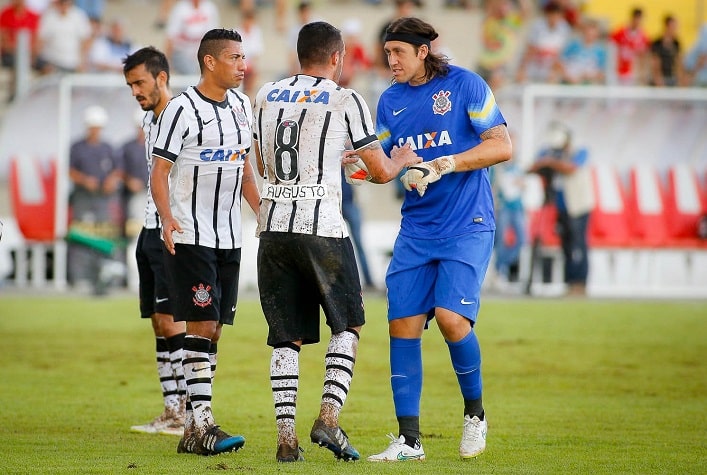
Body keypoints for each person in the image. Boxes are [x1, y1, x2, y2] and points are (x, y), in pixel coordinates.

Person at [251, 20, 421, 463]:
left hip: (272, 228)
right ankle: (328, 417)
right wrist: (400, 158)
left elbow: (263, 165)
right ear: (337, 57)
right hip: (321, 226)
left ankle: (286, 442)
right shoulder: (344, 98)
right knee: (348, 325)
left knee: (285, 337)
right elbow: (381, 171)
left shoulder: (265, 95)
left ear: (298, 54)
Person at [367, 17, 512, 462]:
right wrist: (375, 168)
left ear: (423, 52)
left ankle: (475, 415)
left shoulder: (466, 86)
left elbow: (502, 145)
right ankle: (409, 441)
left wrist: (444, 163)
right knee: (401, 325)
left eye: (399, 53)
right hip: (417, 228)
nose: (391, 61)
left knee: (452, 320)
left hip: (467, 223)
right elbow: (386, 167)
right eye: (387, 53)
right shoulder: (389, 101)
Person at [150, 28, 260, 455]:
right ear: (210, 62)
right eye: (234, 57)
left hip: (228, 236)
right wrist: (167, 218)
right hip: (191, 234)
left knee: (213, 331)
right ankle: (205, 424)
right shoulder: (181, 109)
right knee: (200, 326)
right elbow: (159, 172)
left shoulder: (241, 106)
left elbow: (246, 169)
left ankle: (193, 432)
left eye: (243, 57)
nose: (242, 65)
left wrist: (263, 213)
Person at [122, 46, 187, 437]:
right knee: (160, 322)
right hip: (148, 227)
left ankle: (186, 410)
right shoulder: (150, 121)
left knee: (175, 319)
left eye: (139, 83)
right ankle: (170, 408)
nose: (135, 91)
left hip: (171, 231)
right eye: (130, 85)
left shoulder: (183, 117)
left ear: (161, 78)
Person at [527, 121, 594, 296]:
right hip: (561, 207)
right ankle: (569, 283)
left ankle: (580, 283)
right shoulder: (550, 152)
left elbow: (571, 168)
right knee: (566, 246)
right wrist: (547, 160)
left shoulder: (580, 151)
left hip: (578, 206)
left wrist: (550, 162)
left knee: (579, 244)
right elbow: (533, 166)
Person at [67, 104, 123, 293]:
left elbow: (117, 170)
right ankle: (80, 276)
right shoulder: (77, 147)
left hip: (103, 200)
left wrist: (111, 180)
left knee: (104, 236)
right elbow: (70, 171)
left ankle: (104, 276)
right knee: (82, 235)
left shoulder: (108, 147)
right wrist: (85, 180)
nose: (95, 131)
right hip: (83, 198)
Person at [515, 0, 571, 84]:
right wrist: (522, 68)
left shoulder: (564, 28)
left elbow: (562, 54)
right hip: (535, 64)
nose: (554, 19)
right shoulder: (538, 26)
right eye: (552, 15)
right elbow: (531, 49)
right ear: (547, 15)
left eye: (556, 15)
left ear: (560, 15)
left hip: (551, 66)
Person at [341, 168, 375, 290]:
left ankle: (369, 281)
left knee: (359, 244)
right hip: (335, 205)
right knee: (338, 246)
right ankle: (343, 283)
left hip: (351, 204)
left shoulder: (348, 160)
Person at [164, 0, 220, 75]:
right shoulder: (180, 9)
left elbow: (214, 37)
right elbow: (171, 37)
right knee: (190, 70)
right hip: (182, 52)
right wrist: (167, 61)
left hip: (202, 51)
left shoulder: (209, 8)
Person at [0, 0, 41, 102]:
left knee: (47, 66)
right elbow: (3, 38)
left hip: (28, 54)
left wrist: (30, 54)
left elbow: (36, 39)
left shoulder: (33, 15)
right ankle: (17, 97)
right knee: (18, 62)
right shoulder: (6, 14)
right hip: (10, 54)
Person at [36, 0, 92, 74]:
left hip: (73, 63)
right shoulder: (49, 16)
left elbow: (86, 40)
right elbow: (41, 40)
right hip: (52, 62)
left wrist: (82, 61)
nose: (64, 5)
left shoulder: (79, 15)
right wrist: (42, 63)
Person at [609, 7, 650, 86]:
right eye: (637, 18)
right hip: (617, 71)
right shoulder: (620, 32)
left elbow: (644, 55)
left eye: (640, 19)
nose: (638, 21)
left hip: (632, 73)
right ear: (632, 18)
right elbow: (611, 47)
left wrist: (642, 73)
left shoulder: (643, 37)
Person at [648, 15, 683, 87]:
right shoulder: (657, 42)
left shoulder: (676, 43)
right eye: (673, 26)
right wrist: (658, 79)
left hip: (672, 77)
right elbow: (655, 63)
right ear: (667, 26)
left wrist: (680, 78)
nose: (675, 29)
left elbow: (678, 62)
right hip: (660, 79)